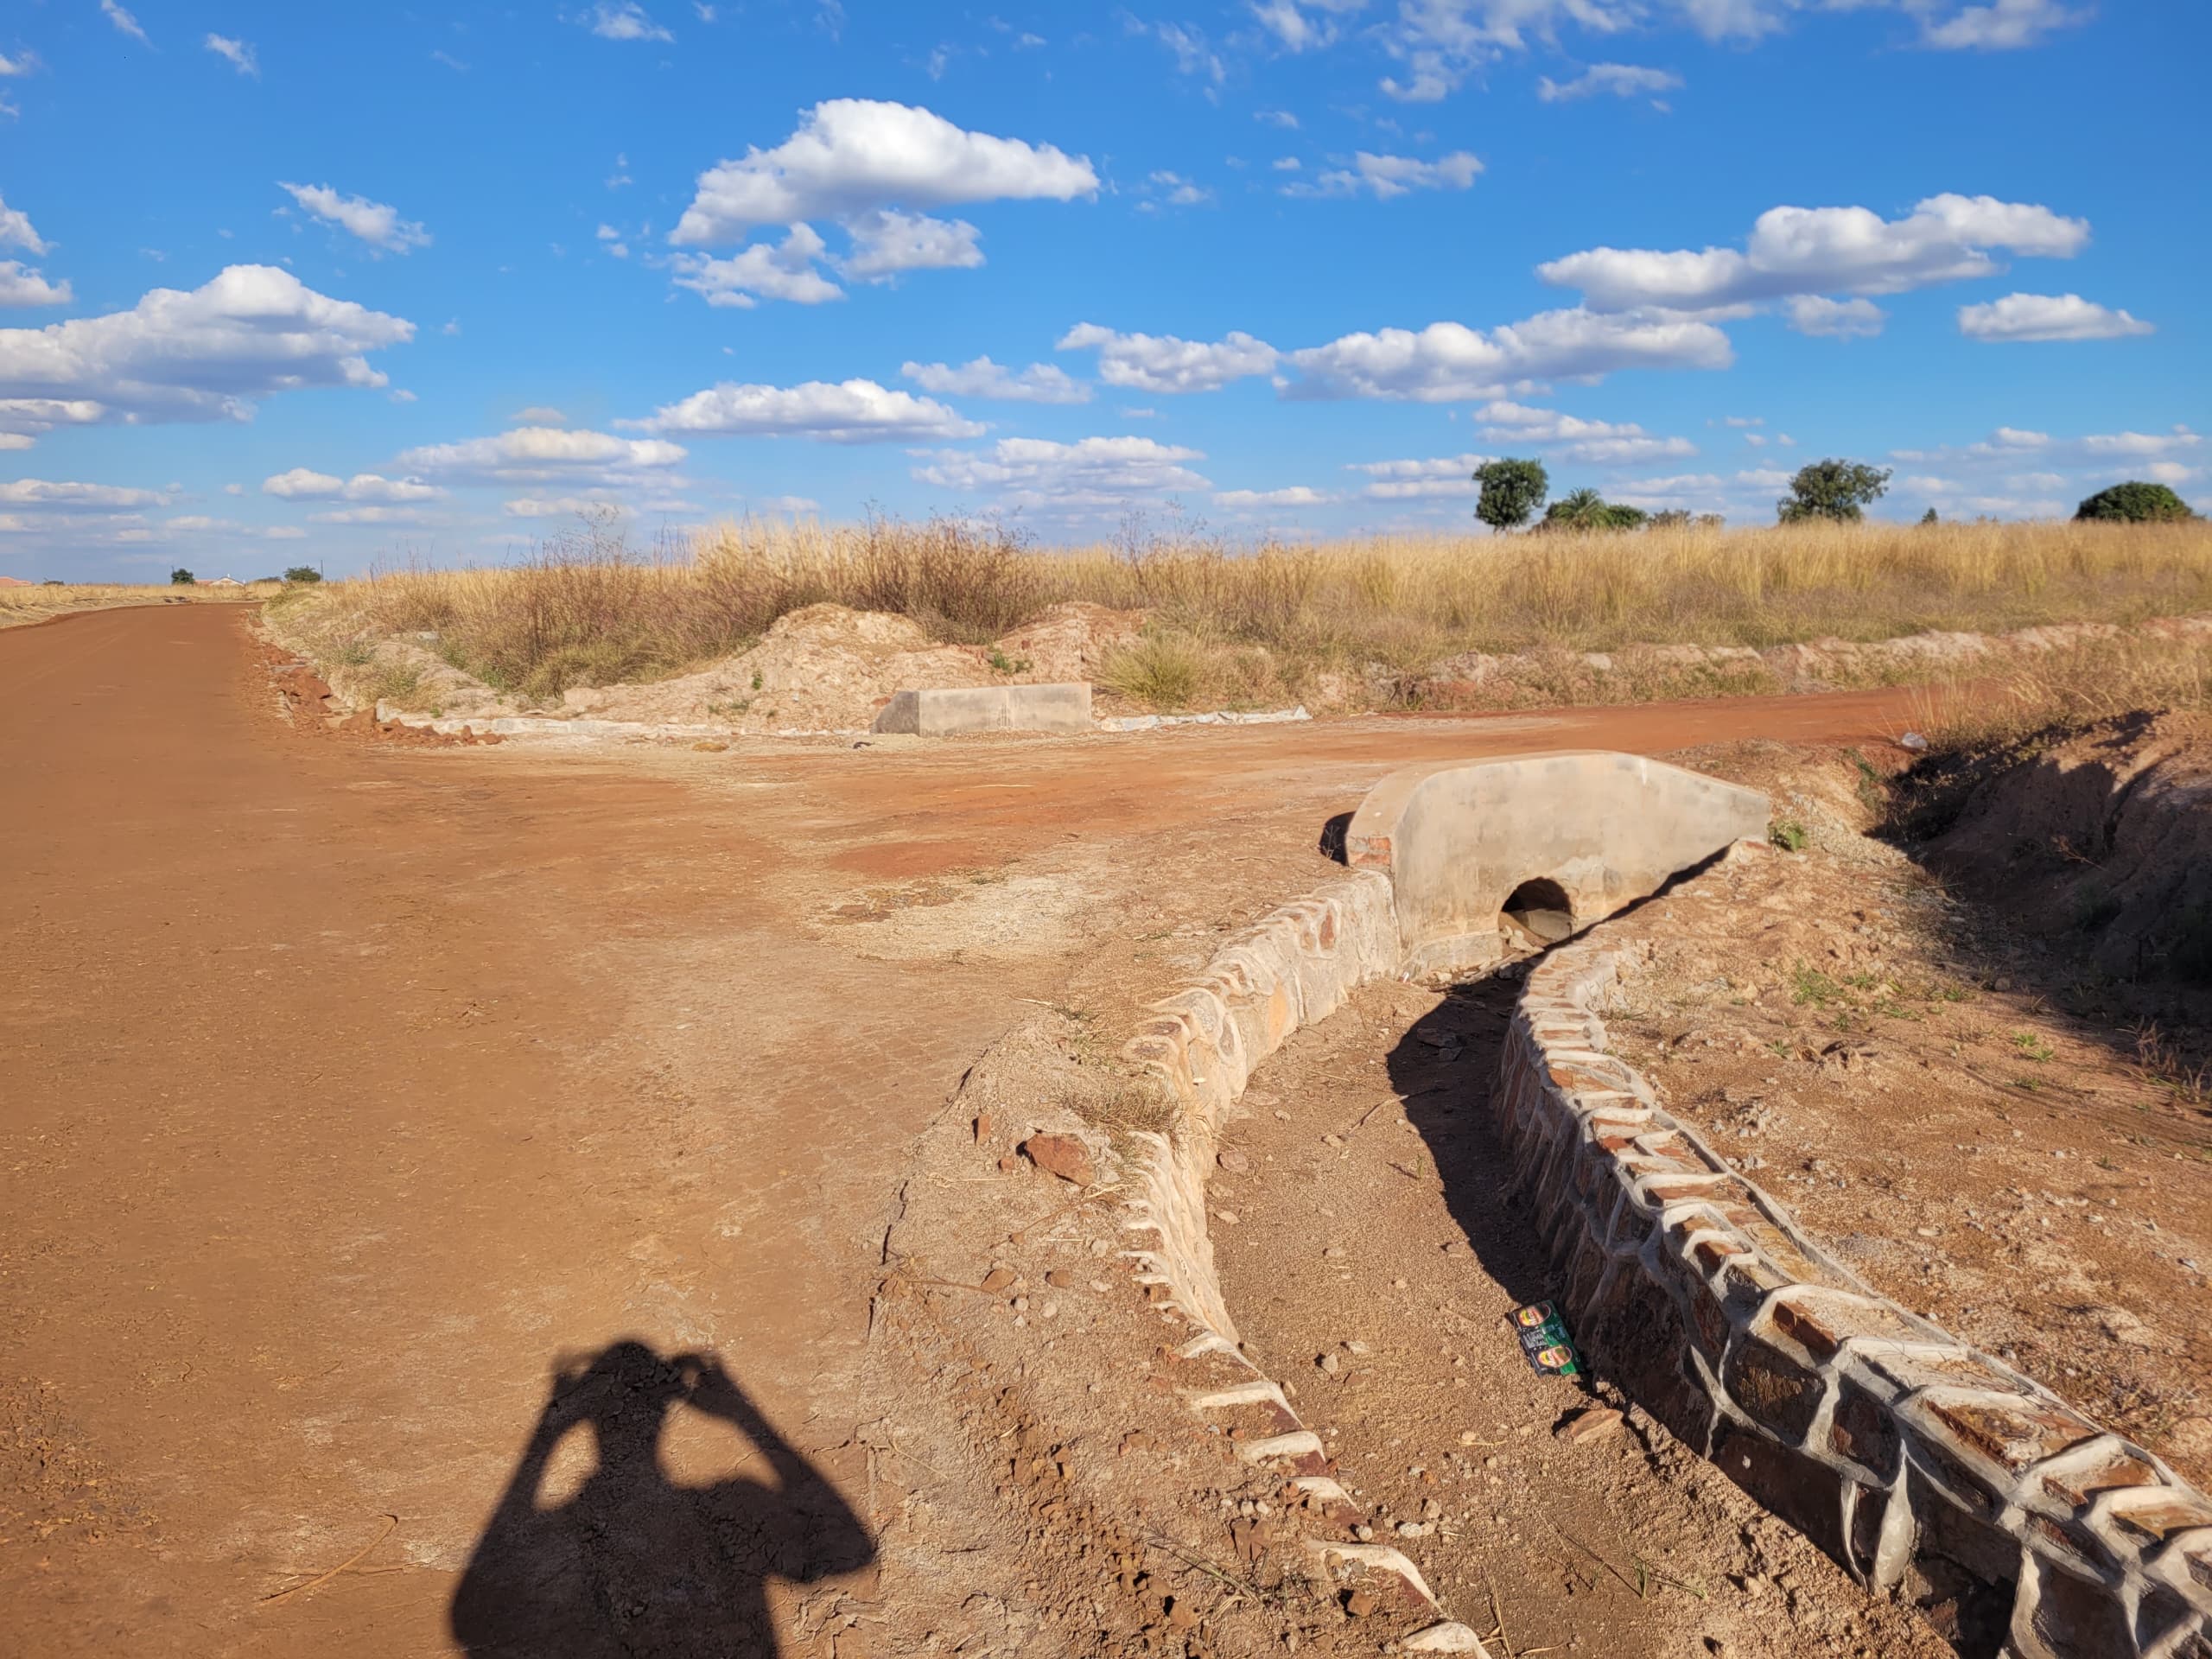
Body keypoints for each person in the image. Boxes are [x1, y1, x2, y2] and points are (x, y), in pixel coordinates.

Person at [452, 1341, 874, 1656]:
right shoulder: (734, 1498)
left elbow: (474, 1611)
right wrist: (745, 1418)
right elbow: (854, 1551)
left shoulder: (563, 1527)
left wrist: (546, 1436)